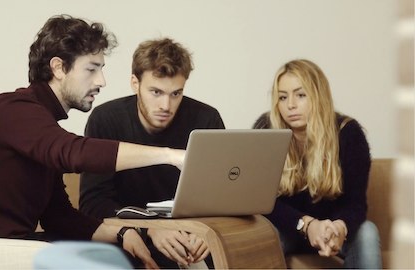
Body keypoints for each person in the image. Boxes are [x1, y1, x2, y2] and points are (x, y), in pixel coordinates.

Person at [0, 15, 186, 269]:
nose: (101, 81)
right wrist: (169, 155)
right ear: (58, 68)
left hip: (6, 245)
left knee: (119, 254)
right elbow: (74, 153)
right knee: (104, 263)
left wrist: (124, 233)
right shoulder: (12, 110)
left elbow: (59, 216)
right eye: (91, 69)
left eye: (101, 69)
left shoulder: (40, 127)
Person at [79, 38, 225, 268]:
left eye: (176, 94)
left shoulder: (206, 119)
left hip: (191, 236)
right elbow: (93, 202)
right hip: (131, 234)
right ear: (135, 83)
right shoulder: (106, 119)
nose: (166, 105)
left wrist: (206, 230)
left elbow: (220, 195)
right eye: (156, 92)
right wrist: (149, 229)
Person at [253, 59, 382, 268]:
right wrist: (306, 224)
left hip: (331, 231)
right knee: (259, 236)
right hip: (287, 228)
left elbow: (355, 203)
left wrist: (340, 227)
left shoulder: (348, 133)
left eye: (300, 95)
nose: (291, 105)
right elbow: (262, 202)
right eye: (283, 97)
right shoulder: (265, 130)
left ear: (318, 95)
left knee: (367, 232)